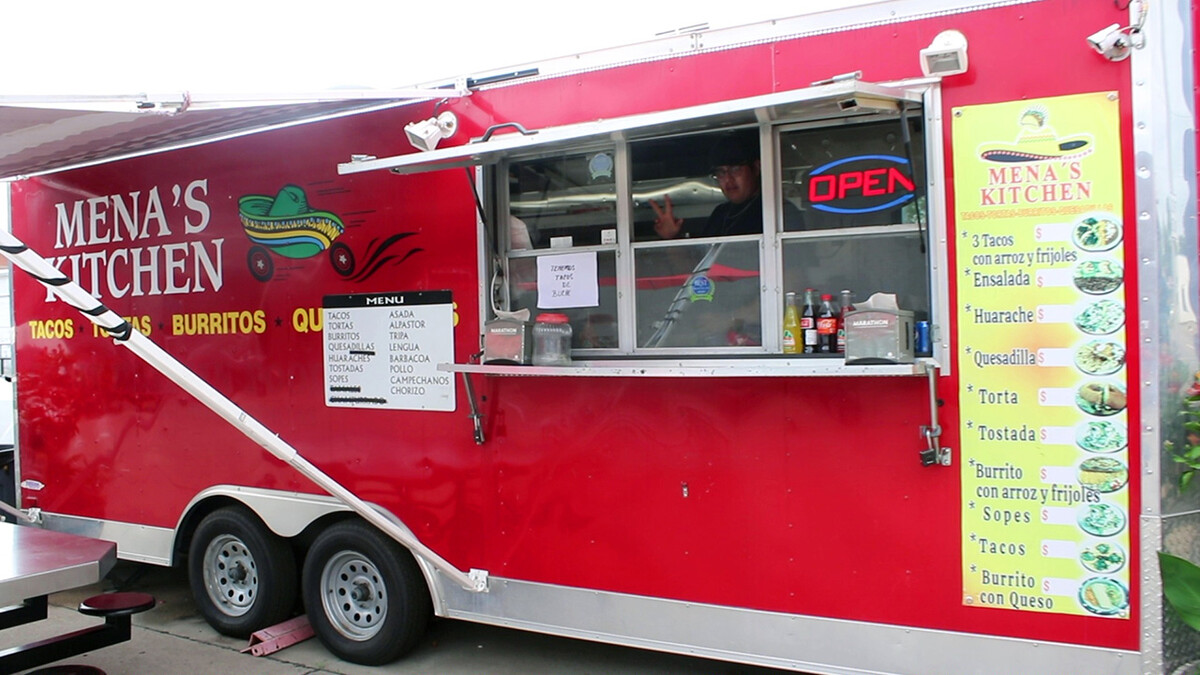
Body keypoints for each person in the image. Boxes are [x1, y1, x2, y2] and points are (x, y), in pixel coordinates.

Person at [649, 131, 802, 239]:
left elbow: (793, 276)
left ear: (756, 168)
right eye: (721, 172)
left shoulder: (780, 213)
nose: (728, 180)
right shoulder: (720, 214)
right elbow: (698, 274)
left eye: (735, 169)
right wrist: (670, 237)